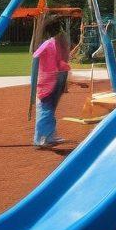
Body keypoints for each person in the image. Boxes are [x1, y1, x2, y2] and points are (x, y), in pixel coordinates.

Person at [33, 19, 70, 148]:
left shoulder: (57, 44)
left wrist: (64, 67)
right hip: (47, 81)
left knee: (49, 109)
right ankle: (41, 138)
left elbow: (59, 62)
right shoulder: (49, 44)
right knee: (45, 109)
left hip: (55, 80)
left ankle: (49, 136)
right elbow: (36, 56)